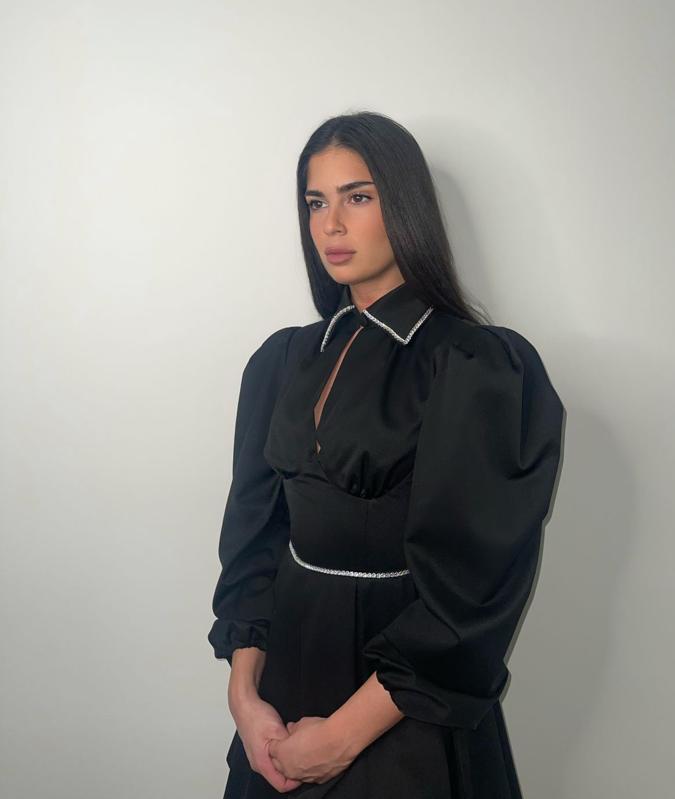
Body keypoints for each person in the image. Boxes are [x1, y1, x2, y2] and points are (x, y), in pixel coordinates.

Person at [207, 111, 565, 798]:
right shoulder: (281, 361)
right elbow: (253, 541)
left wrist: (340, 739)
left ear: (403, 204)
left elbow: (470, 591)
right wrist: (245, 700)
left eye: (358, 196)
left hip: (402, 702)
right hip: (280, 692)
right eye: (316, 202)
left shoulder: (473, 365)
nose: (331, 224)